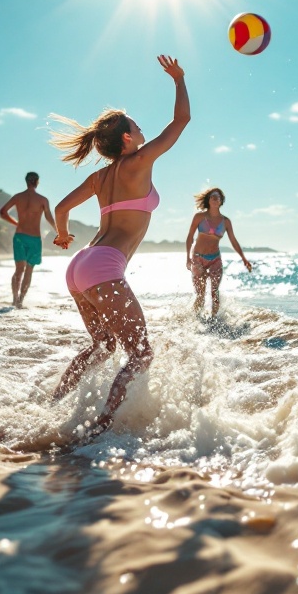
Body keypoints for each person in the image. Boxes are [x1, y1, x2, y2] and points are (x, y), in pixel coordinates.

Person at [50, 54, 190, 435]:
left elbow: (60, 207)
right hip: (103, 265)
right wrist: (179, 79)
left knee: (103, 347)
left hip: (79, 266)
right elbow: (181, 122)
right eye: (137, 126)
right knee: (141, 353)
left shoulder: (100, 177)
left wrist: (62, 235)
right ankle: (101, 426)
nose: (142, 130)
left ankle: (54, 401)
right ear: (128, 138)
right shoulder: (139, 161)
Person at [186, 187, 252, 316]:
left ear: (221, 201)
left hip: (215, 259)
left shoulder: (226, 222)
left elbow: (233, 240)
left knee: (214, 293)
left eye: (218, 197)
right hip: (198, 258)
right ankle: (194, 321)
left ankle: (214, 322)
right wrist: (188, 258)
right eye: (213, 197)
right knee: (200, 295)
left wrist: (244, 258)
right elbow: (190, 236)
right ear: (209, 200)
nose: (215, 199)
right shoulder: (199, 217)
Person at [0, 172, 56, 307]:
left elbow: (3, 212)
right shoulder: (42, 200)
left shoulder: (18, 197)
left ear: (26, 182)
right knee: (29, 270)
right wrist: (58, 231)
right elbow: (48, 217)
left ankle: (14, 299)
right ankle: (20, 301)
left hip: (20, 236)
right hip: (35, 238)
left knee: (19, 269)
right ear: (37, 182)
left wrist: (16, 223)